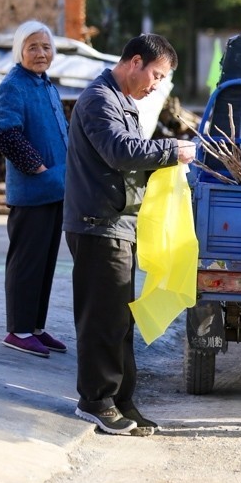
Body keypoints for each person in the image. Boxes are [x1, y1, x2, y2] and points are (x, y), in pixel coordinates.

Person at [63, 34, 196, 436]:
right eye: (155, 75)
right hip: (96, 224)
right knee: (101, 318)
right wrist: (172, 150)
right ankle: (96, 401)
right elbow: (120, 151)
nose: (155, 85)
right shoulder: (98, 100)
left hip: (116, 224)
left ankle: (121, 399)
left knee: (120, 319)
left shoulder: (122, 103)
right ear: (134, 62)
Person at [0, 21, 69, 358]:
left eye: (46, 47)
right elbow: (5, 132)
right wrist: (37, 167)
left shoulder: (45, 84)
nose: (41, 53)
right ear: (20, 51)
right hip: (32, 192)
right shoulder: (13, 86)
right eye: (33, 47)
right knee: (26, 262)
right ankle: (18, 331)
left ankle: (35, 327)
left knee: (45, 262)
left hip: (56, 189)